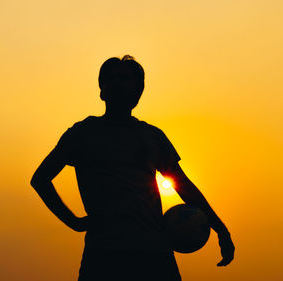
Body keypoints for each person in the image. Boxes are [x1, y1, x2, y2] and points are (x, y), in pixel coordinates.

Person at [29, 55, 235, 280]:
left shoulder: (152, 136)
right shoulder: (83, 133)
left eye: (124, 79)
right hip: (103, 254)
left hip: (154, 253)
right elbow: (40, 179)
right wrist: (74, 221)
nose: (116, 82)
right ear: (102, 91)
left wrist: (220, 229)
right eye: (110, 79)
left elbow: (183, 185)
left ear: (137, 92)